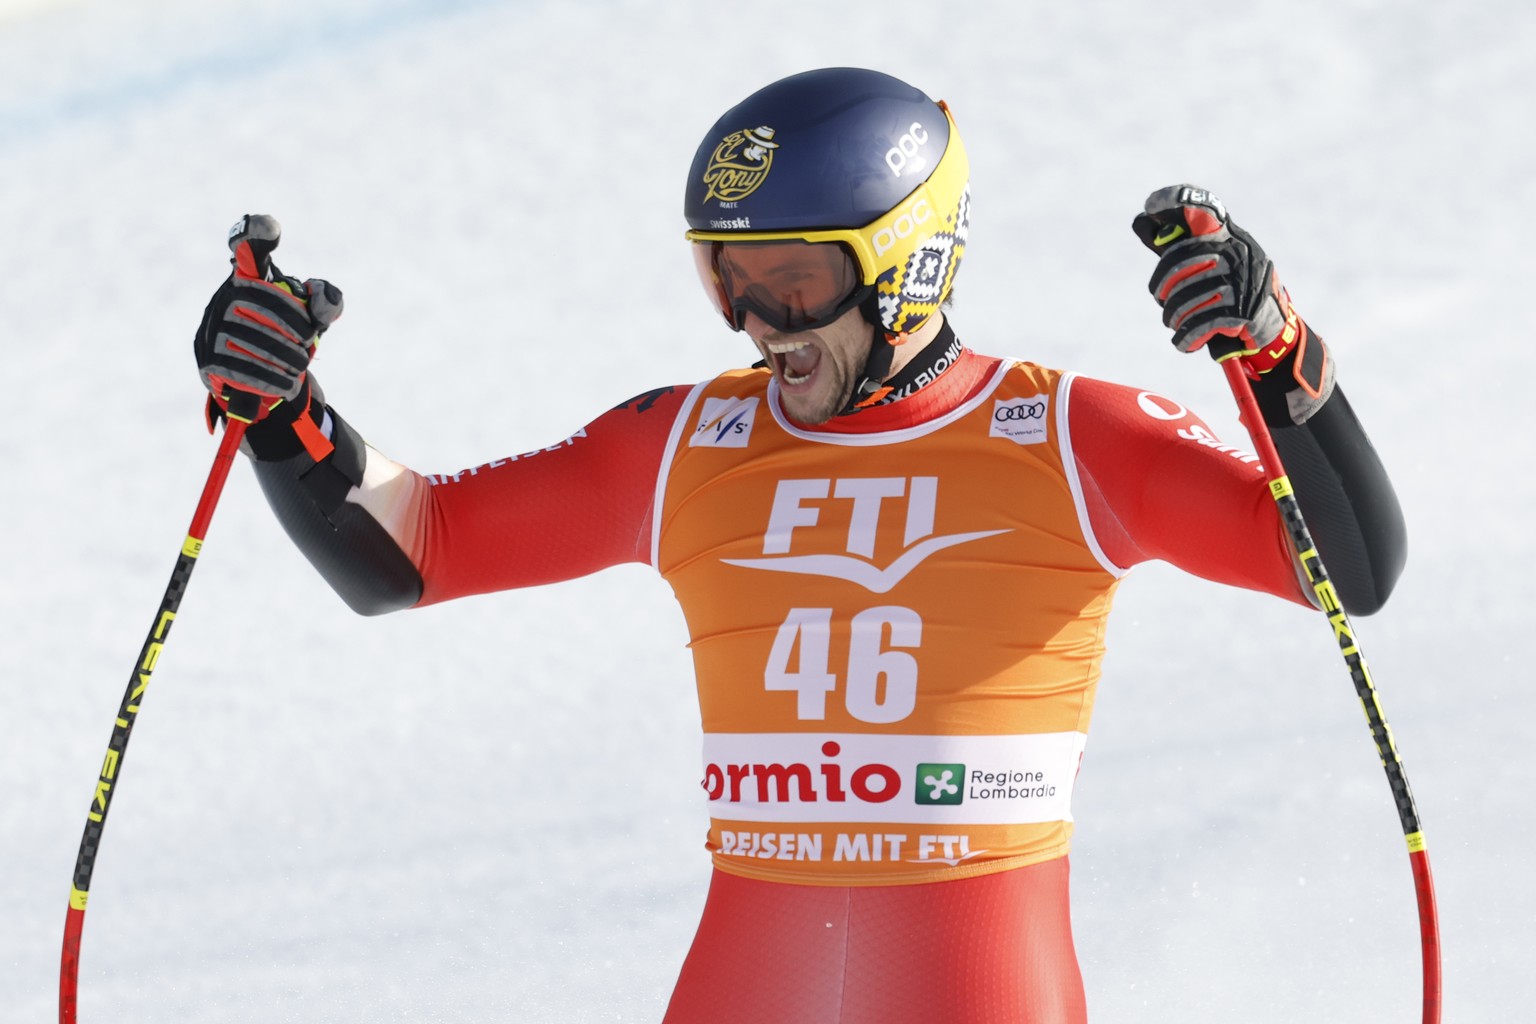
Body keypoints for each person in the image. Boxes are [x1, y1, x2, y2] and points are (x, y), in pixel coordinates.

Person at [193, 68, 1406, 1024]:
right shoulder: (686, 442)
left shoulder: (1066, 437)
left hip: (982, 985)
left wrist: (1279, 352)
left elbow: (1350, 573)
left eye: (795, 281)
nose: (762, 326)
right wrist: (283, 413)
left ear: (909, 260)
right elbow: (411, 552)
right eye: (731, 280)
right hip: (745, 981)